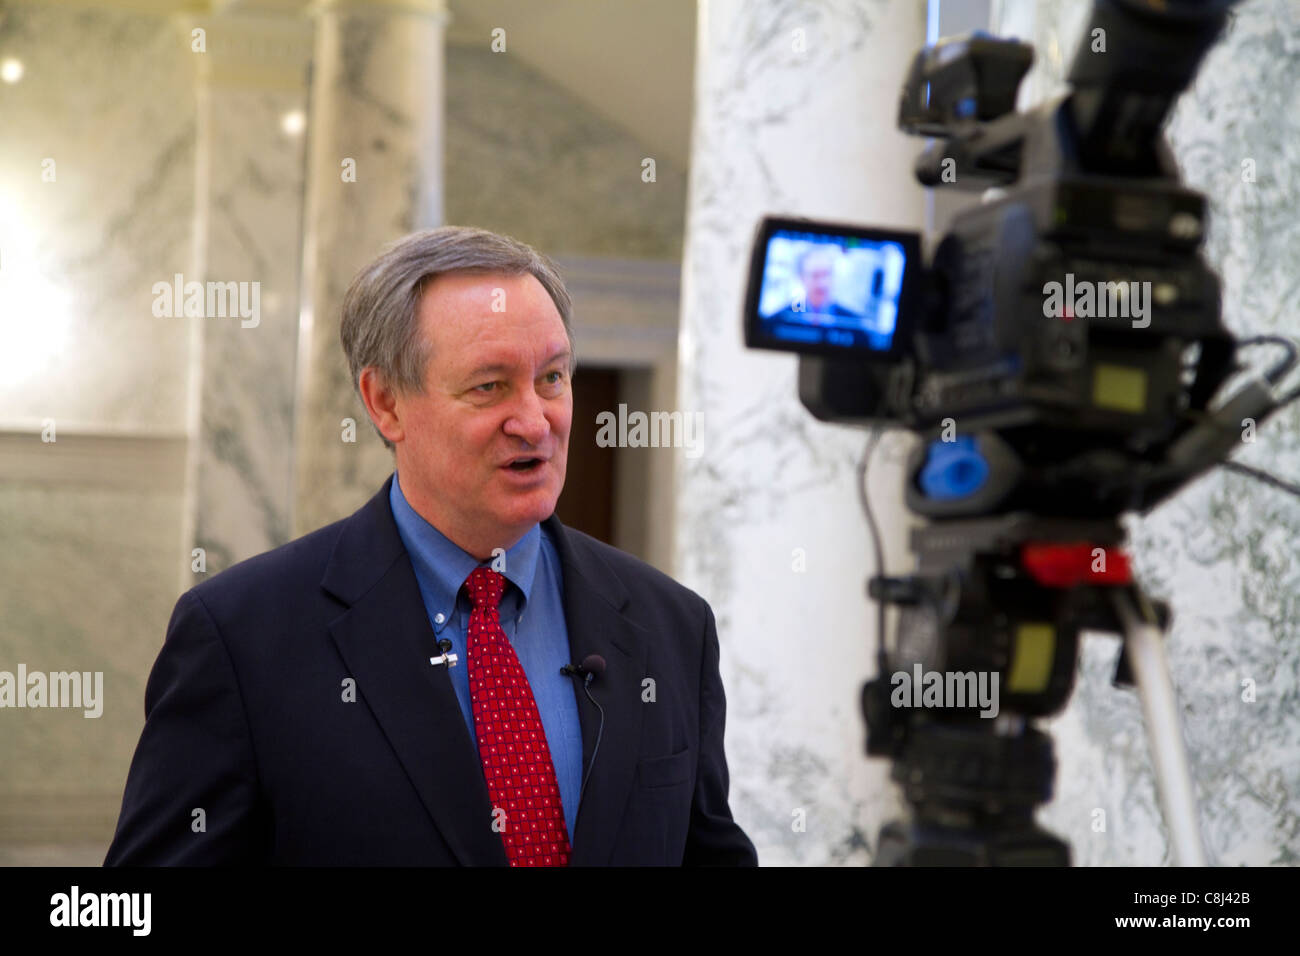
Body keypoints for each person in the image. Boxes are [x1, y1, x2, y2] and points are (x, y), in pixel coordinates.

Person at [104, 226, 757, 866]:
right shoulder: (242, 637)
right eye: (488, 386)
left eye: (553, 378)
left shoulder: (671, 626)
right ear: (385, 402)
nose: (535, 421)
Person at [768, 244, 862, 325]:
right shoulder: (778, 320)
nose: (821, 283)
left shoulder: (855, 323)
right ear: (801, 277)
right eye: (815, 275)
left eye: (826, 274)